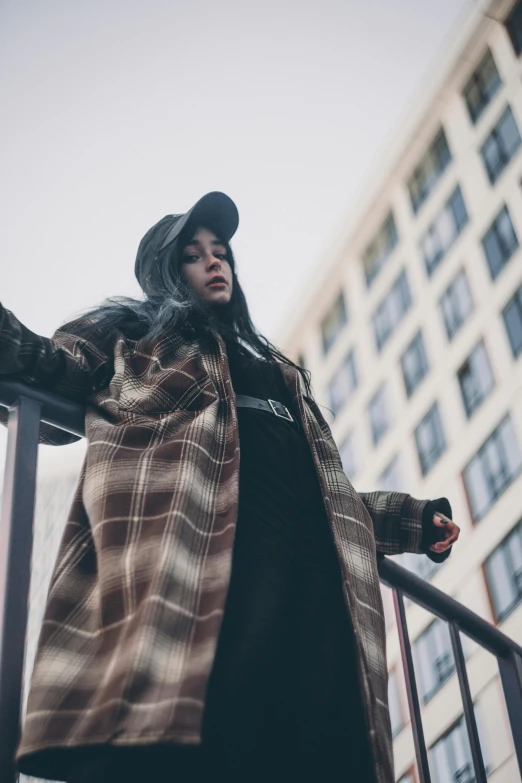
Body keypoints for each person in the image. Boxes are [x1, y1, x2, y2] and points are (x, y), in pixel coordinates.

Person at [1, 192, 460, 783]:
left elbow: (326, 497)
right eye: (194, 255)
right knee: (207, 743)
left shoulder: (281, 374)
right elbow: (47, 365)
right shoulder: (129, 334)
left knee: (312, 745)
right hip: (198, 581)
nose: (216, 263)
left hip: (309, 599)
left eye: (222, 253)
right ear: (166, 273)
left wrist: (412, 521)